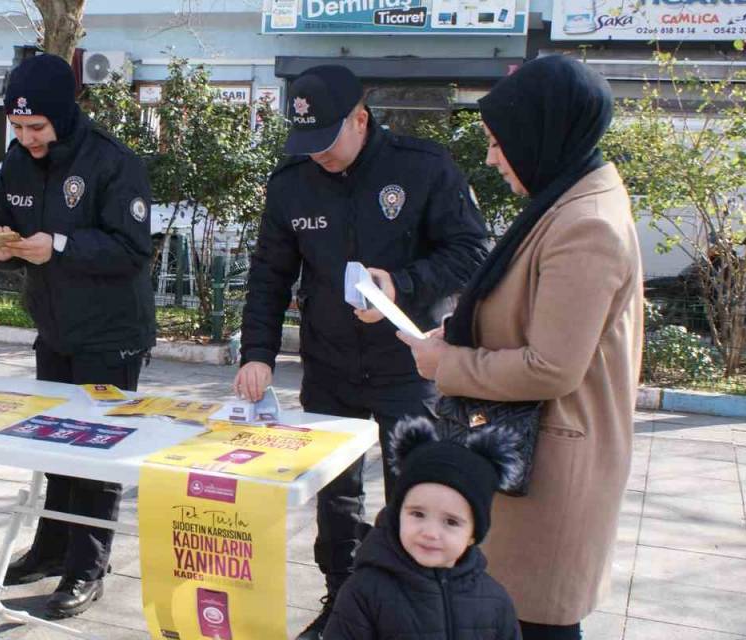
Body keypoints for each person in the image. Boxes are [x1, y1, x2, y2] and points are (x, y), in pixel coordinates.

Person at [233, 64, 488, 639]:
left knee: (414, 497)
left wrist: (404, 282)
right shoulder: (292, 182)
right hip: (329, 365)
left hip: (408, 365)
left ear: (360, 119)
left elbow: (472, 251)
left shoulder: (423, 169)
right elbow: (269, 276)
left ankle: (408, 615)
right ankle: (341, 605)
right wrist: (258, 353)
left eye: (326, 140)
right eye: (306, 142)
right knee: (336, 497)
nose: (317, 154)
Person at [398, 55, 641, 640]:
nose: (492, 156)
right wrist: (463, 327)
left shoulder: (587, 225)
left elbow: (552, 368)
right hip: (529, 453)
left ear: (542, 131)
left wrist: (446, 364)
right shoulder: (567, 195)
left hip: (554, 467)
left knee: (539, 624)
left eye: (498, 142)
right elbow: (532, 307)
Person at [0, 53, 156, 619]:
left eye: (37, 127)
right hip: (54, 328)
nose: (27, 137)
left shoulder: (112, 161)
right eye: (18, 126)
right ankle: (51, 548)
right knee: (54, 445)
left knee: (95, 455)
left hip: (111, 333)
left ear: (64, 113)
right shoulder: (17, 161)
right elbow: (1, 219)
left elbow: (132, 250)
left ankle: (88, 566)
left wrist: (58, 245)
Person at [323, 418, 522, 640]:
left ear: (473, 535)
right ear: (398, 516)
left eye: (451, 522)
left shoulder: (494, 600)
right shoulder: (364, 592)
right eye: (418, 514)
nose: (430, 532)